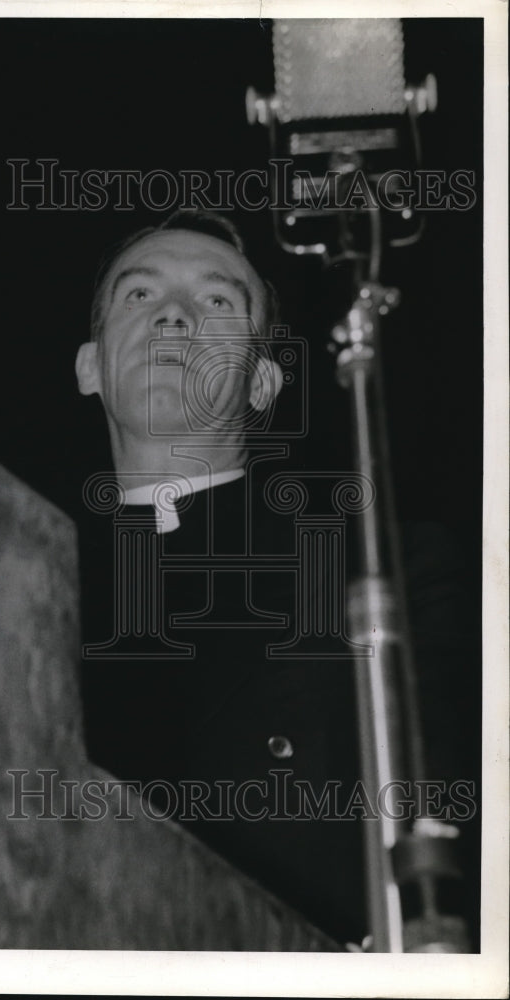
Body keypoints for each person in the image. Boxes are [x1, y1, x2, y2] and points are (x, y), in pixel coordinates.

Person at [73, 209, 479, 947]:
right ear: (89, 367)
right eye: (139, 296)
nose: (172, 312)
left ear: (261, 383)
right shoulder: (24, 589)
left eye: (217, 300)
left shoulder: (378, 569)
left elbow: (451, 833)